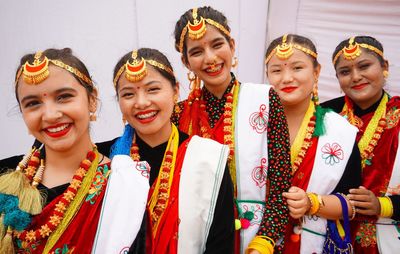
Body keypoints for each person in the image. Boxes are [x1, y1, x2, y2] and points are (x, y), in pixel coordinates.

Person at [0, 48, 147, 253]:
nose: (50, 115)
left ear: (92, 100)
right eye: (33, 103)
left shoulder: (123, 186)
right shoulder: (5, 180)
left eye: (63, 97)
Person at [172, 6, 292, 254]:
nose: (210, 58)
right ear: (185, 61)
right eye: (197, 51)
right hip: (198, 241)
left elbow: (281, 182)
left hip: (257, 239)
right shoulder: (177, 114)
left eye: (217, 45)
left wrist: (264, 242)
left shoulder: (265, 99)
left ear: (232, 45)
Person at [111, 48, 234, 253]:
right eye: (129, 94)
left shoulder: (208, 159)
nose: (141, 102)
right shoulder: (106, 157)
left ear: (176, 91)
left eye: (152, 89)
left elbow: (221, 244)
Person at [265, 34, 362, 253]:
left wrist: (312, 203)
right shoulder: (254, 124)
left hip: (311, 243)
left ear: (316, 72)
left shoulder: (341, 132)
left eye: (297, 68)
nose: (287, 78)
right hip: (254, 241)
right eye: (277, 70)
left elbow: (352, 204)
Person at [322, 35, 400, 254]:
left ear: (384, 66)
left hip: (388, 236)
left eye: (364, 66)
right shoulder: (324, 115)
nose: (356, 77)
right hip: (329, 235)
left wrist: (383, 205)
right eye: (345, 72)